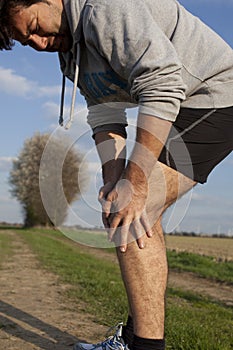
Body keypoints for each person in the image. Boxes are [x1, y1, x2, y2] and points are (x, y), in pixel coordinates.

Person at [1, 0, 233, 349]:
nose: (36, 43)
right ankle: (133, 337)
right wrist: (113, 180)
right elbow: (104, 113)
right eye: (24, 40)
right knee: (120, 206)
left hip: (215, 94)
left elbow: (162, 85)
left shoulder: (105, 9)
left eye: (33, 26)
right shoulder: (70, 54)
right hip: (178, 102)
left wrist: (135, 183)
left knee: (135, 212)